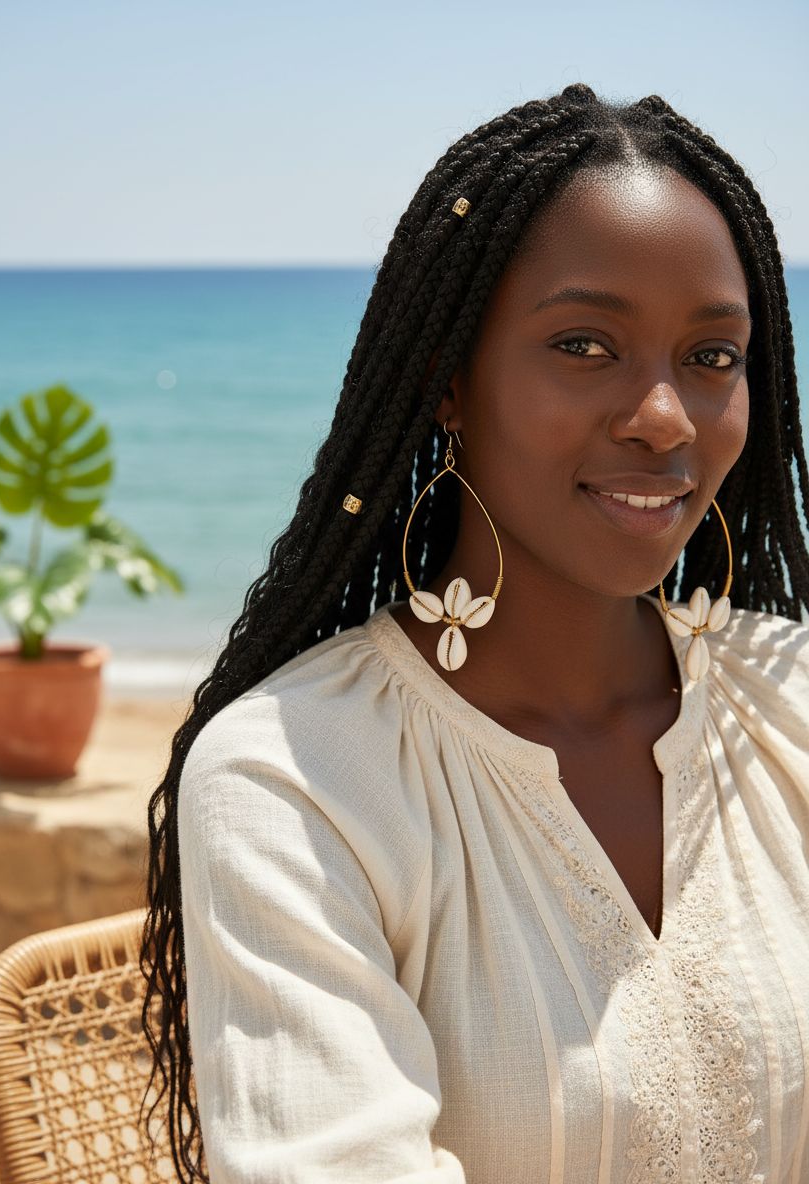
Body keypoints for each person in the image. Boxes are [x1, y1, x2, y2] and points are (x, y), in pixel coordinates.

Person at [140, 83, 809, 1183]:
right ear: (450, 379)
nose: (665, 416)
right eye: (586, 344)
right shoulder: (295, 781)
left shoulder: (788, 701)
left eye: (713, 356)